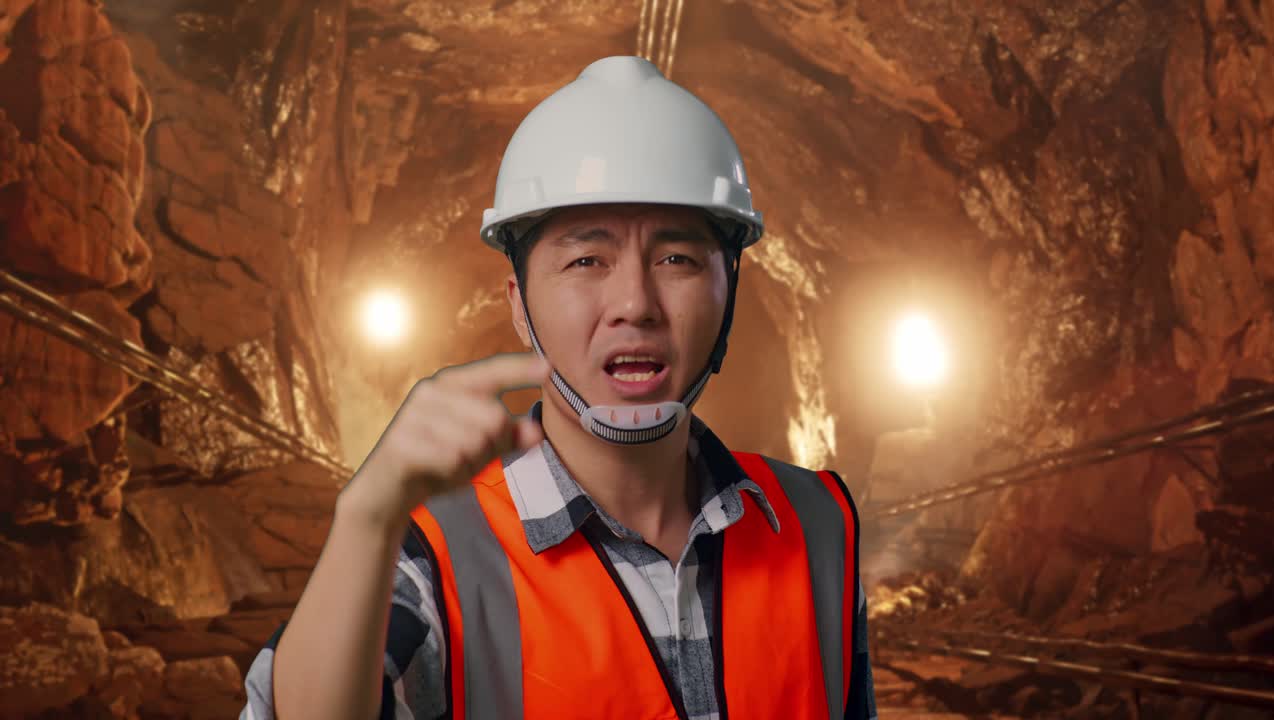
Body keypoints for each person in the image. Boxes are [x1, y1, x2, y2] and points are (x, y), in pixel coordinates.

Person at [240, 55, 876, 720]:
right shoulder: (437, 556)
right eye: (585, 260)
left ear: (732, 289)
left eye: (678, 259)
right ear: (519, 305)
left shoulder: (817, 523)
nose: (635, 302)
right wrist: (366, 516)